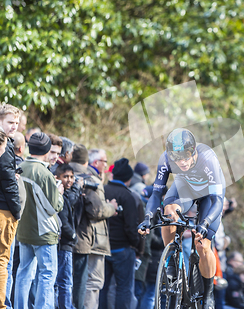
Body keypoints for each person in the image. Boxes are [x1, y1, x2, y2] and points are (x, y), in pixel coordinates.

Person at [138, 128, 226, 309]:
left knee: (203, 244)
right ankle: (171, 260)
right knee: (169, 211)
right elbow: (156, 194)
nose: (182, 162)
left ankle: (208, 293)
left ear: (193, 151)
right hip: (185, 187)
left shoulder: (208, 158)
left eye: (186, 157)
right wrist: (147, 218)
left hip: (210, 195)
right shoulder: (165, 159)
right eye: (177, 159)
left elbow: (217, 200)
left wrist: (205, 223)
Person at [15, 132, 64, 309]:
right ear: (45, 150)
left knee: (23, 273)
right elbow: (54, 207)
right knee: (47, 274)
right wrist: (59, 193)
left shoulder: (20, 167)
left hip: (24, 230)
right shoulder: (43, 173)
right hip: (44, 232)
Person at [69, 144, 117, 309]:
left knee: (69, 281)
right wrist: (112, 207)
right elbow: (96, 210)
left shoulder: (64, 174)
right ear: (92, 162)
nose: (105, 164)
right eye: (103, 161)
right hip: (92, 240)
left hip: (68, 237)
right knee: (93, 282)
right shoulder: (91, 179)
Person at [100, 158, 141, 309]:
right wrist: (135, 243)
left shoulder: (102, 190)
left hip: (103, 247)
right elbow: (131, 227)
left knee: (102, 287)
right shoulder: (128, 196)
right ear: (128, 178)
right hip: (122, 249)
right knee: (124, 288)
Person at [0, 104, 21, 309]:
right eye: (10, 122)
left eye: (16, 123)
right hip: (4, 210)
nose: (14, 126)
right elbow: (7, 182)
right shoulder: (4, 146)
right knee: (3, 261)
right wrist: (17, 212)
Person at [55, 164, 81, 309]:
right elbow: (63, 222)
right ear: (57, 177)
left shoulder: (67, 195)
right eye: (65, 177)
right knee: (65, 281)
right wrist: (72, 236)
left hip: (66, 244)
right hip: (64, 244)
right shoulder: (60, 196)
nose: (69, 180)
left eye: (71, 177)